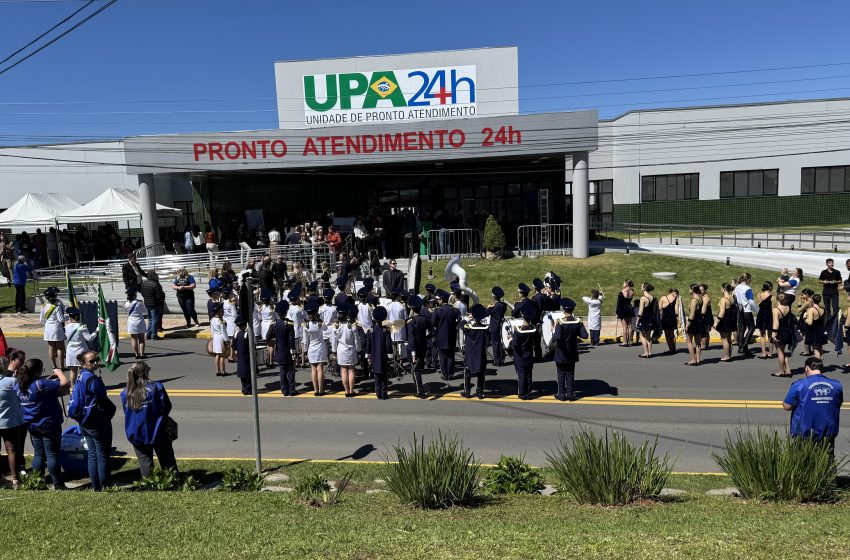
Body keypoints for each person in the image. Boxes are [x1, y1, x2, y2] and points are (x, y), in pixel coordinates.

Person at [16, 359, 69, 489]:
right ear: (38, 372)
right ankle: (58, 484)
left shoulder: (19, 385)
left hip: (32, 425)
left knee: (38, 454)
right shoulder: (41, 384)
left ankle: (37, 482)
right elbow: (65, 384)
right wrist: (59, 372)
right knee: (52, 454)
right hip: (48, 424)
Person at [121, 361, 178, 478]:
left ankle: (149, 484)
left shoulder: (126, 392)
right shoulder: (156, 387)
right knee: (167, 458)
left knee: (145, 462)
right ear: (145, 371)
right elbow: (166, 406)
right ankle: (172, 481)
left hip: (136, 432)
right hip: (158, 430)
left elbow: (127, 411)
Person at [68, 351, 114, 491]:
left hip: (84, 421)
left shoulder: (81, 376)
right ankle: (104, 486)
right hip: (96, 422)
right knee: (102, 455)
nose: (95, 363)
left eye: (96, 360)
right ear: (83, 364)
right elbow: (102, 397)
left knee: (93, 454)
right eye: (92, 361)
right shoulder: (93, 380)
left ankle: (96, 487)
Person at [783, 357, 843, 463]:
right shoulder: (836, 385)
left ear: (807, 368)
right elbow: (839, 403)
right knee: (827, 460)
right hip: (827, 431)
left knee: (803, 462)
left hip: (805, 431)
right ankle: (829, 479)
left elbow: (787, 406)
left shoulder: (799, 385)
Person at [551, 298, 589, 401]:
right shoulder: (578, 321)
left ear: (563, 309)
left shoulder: (560, 322)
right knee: (570, 373)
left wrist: (553, 331)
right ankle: (571, 394)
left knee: (561, 374)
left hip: (561, 352)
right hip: (572, 352)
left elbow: (557, 337)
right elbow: (585, 336)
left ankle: (562, 395)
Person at [0, 349, 26, 489]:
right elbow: (22, 395)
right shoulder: (11, 382)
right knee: (12, 450)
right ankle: (16, 479)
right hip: (10, 422)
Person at [332, 304, 363, 398]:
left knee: (343, 370)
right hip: (351, 349)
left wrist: (334, 351)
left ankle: (346, 391)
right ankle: (351, 390)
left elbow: (334, 341)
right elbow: (357, 339)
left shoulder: (336, 326)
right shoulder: (352, 325)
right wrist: (358, 349)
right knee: (351, 371)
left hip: (341, 350)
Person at [510, 301, 537, 400]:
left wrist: (510, 339)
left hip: (520, 356)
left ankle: (522, 393)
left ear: (522, 316)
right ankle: (529, 392)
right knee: (529, 374)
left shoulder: (518, 330)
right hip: (529, 355)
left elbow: (515, 344)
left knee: (521, 374)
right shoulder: (533, 329)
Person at [461, 304, 489, 399]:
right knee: (481, 374)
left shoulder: (469, 327)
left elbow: (461, 324)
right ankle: (480, 392)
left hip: (470, 353)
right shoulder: (485, 329)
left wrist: (468, 318)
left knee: (467, 373)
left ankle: (467, 392)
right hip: (481, 354)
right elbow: (488, 342)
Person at [431, 289, 460, 382]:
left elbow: (433, 323)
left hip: (440, 337)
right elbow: (459, 320)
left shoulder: (437, 311)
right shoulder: (454, 310)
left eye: (439, 299)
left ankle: (445, 374)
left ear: (441, 300)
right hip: (451, 336)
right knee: (451, 356)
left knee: (442, 356)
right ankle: (451, 374)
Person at [64, 307, 98, 386]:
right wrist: (96, 332)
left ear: (70, 317)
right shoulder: (82, 326)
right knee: (84, 370)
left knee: (73, 371)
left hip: (70, 351)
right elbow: (89, 338)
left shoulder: (66, 327)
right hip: (81, 351)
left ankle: (73, 388)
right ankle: (84, 386)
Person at [405, 295, 430, 398]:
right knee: (418, 369)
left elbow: (412, 339)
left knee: (416, 370)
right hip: (422, 347)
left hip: (414, 349)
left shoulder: (412, 322)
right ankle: (418, 387)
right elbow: (430, 331)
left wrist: (413, 353)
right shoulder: (424, 319)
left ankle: (420, 391)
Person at [366, 306, 392, 400]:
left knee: (376, 375)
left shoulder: (371, 331)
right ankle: (384, 393)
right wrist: (390, 355)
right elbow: (388, 345)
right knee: (384, 375)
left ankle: (378, 392)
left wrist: (368, 356)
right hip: (383, 356)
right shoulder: (386, 331)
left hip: (374, 356)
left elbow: (368, 345)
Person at [273, 301, 297, 396]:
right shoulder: (289, 324)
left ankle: (284, 390)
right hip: (288, 351)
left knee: (282, 371)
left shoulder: (274, 324)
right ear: (286, 312)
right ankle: (292, 389)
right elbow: (291, 340)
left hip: (279, 350)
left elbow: (267, 337)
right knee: (290, 370)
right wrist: (293, 352)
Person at [304, 301, 328, 396]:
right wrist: (319, 318)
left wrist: (305, 350)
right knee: (320, 369)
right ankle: (321, 390)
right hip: (320, 347)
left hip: (311, 348)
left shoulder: (306, 325)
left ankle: (315, 390)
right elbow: (326, 329)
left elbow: (305, 340)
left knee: (313, 369)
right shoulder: (320, 324)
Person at [39, 287, 66, 370]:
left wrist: (47, 324)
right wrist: (68, 318)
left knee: (51, 348)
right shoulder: (57, 306)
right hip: (57, 328)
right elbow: (61, 319)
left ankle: (54, 366)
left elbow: (41, 320)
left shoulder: (43, 306)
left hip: (48, 328)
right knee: (60, 347)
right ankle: (61, 366)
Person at [770, 293, 795, 377]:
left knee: (780, 353)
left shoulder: (776, 310)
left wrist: (774, 334)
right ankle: (787, 370)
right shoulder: (788, 307)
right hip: (787, 330)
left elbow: (776, 322)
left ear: (777, 299)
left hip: (779, 331)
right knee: (783, 352)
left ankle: (781, 371)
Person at [734, 273, 758, 355]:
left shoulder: (737, 287)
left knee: (742, 329)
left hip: (740, 310)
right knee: (752, 327)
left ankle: (740, 348)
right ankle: (744, 345)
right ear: (747, 279)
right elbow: (751, 301)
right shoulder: (748, 288)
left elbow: (735, 297)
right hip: (747, 310)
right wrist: (758, 311)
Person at [714, 283, 737, 362]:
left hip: (724, 320)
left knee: (724, 339)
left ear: (724, 289)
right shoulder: (731, 298)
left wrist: (716, 322)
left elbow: (722, 312)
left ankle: (726, 356)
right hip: (731, 320)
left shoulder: (723, 299)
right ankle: (729, 355)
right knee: (729, 338)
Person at [140, 271, 165, 341]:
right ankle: (154, 335)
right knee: (154, 320)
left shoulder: (144, 283)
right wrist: (161, 301)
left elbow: (142, 293)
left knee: (150, 320)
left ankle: (148, 334)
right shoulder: (156, 284)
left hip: (147, 303)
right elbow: (159, 295)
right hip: (155, 304)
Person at [636, 283, 657, 358]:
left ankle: (646, 352)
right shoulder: (653, 297)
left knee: (642, 335)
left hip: (644, 318)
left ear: (644, 288)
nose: (641, 286)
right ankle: (650, 352)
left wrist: (637, 319)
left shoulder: (643, 298)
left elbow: (641, 311)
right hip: (651, 318)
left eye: (642, 285)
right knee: (648, 336)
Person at [487, 287, 508, 366]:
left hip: (495, 326)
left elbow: (487, 312)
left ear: (494, 296)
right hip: (501, 325)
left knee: (495, 343)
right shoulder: (503, 305)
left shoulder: (494, 307)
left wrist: (489, 307)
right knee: (501, 343)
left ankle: (497, 361)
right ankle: (502, 359)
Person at [803, 293, 827, 360]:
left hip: (813, 331)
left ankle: (817, 366)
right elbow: (824, 321)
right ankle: (821, 364)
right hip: (821, 329)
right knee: (820, 349)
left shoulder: (811, 310)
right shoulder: (823, 309)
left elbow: (810, 322)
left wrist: (804, 318)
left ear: (812, 300)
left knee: (816, 350)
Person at [685, 284, 704, 366]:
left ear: (692, 290)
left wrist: (687, 324)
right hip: (699, 321)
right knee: (698, 342)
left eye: (689, 289)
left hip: (693, 322)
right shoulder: (700, 299)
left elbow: (692, 315)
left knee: (689, 341)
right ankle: (698, 360)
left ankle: (693, 360)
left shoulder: (694, 300)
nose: (688, 290)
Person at [232, 320, 252, 395]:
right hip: (247, 356)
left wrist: (238, 349)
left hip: (240, 356)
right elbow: (251, 346)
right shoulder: (246, 335)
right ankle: (249, 389)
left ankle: (244, 388)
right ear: (244, 326)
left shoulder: (236, 334)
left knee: (242, 373)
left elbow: (233, 345)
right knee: (248, 373)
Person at [756, 281, 774, 360]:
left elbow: (759, 304)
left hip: (761, 314)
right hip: (770, 315)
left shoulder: (759, 295)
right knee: (770, 335)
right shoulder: (773, 297)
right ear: (770, 288)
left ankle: (763, 353)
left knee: (762, 335)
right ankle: (770, 353)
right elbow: (774, 308)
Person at [659, 288, 679, 355]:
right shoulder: (676, 298)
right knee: (672, 334)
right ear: (673, 292)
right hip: (672, 317)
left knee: (667, 334)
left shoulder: (663, 298)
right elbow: (676, 309)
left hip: (665, 317)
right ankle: (674, 349)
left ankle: (671, 349)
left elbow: (660, 308)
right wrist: (677, 317)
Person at [616, 280, 635, 347]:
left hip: (623, 309)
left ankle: (625, 342)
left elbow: (619, 303)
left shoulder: (621, 292)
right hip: (629, 308)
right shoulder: (632, 291)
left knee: (624, 326)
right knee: (629, 326)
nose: (623, 283)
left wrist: (617, 312)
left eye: (624, 282)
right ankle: (630, 341)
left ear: (626, 284)